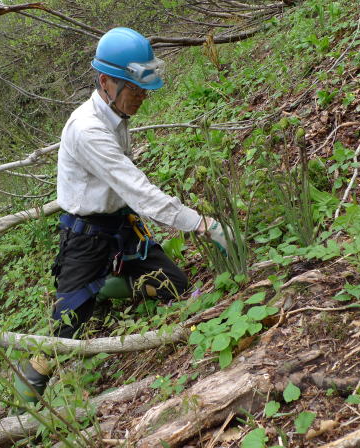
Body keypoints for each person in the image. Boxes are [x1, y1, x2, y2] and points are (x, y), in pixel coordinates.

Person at [13, 27, 228, 405]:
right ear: (105, 82)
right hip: (86, 235)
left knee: (174, 285)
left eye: (143, 88)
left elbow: (129, 191)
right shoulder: (88, 130)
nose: (142, 97)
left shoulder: (117, 113)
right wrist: (203, 224)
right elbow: (140, 190)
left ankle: (109, 285)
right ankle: (24, 399)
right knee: (64, 329)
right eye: (134, 88)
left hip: (121, 225)